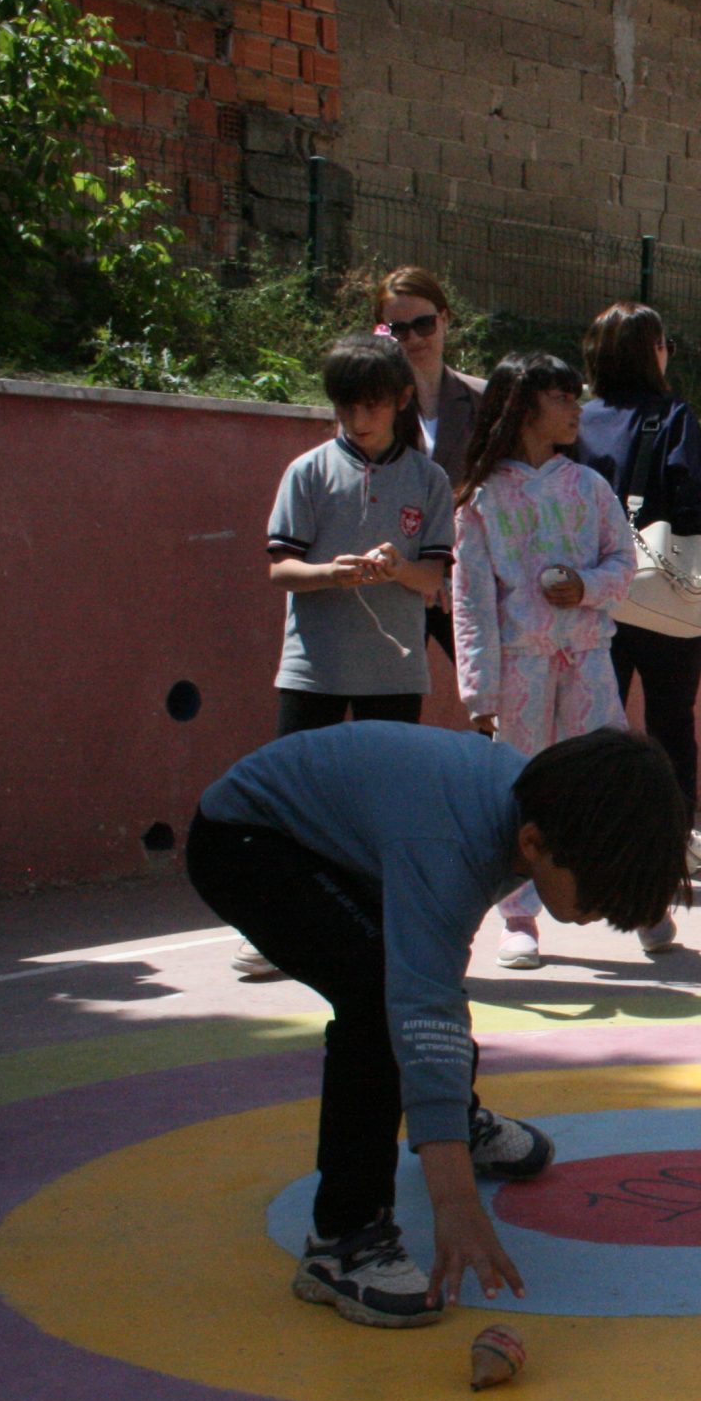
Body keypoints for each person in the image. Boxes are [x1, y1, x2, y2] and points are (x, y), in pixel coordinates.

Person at [184, 724, 688, 1327]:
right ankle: (342, 1242)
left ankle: (452, 1119)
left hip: (343, 837)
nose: (599, 914)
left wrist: (440, 1114)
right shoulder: (451, 841)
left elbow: (436, 984)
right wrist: (453, 1201)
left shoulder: (546, 807)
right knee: (378, 997)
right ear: (532, 843)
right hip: (248, 840)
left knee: (426, 979)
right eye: (597, 898)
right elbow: (421, 1003)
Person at [237, 336, 455, 984]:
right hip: (314, 669)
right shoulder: (308, 472)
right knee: (291, 802)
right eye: (346, 406)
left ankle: (381, 932)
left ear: (399, 401)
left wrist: (398, 568)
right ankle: (273, 932)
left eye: (372, 405)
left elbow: (433, 580)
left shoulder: (429, 479)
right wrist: (331, 573)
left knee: (385, 808)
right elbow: (282, 569)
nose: (359, 419)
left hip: (394, 674)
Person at [450, 352, 639, 970]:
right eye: (564, 399)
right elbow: (471, 601)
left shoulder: (589, 486)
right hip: (520, 669)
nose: (577, 411)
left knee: (607, 777)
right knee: (523, 788)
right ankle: (519, 915)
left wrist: (583, 586)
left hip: (587, 659)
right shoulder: (481, 500)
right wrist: (479, 694)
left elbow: (624, 565)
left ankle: (634, 895)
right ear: (529, 406)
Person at [577, 301, 701, 939]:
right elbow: (698, 509)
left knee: (602, 725)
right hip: (665, 590)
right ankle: (670, 845)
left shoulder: (577, 421)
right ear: (652, 352)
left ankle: (600, 841)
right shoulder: (673, 416)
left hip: (594, 593)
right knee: (672, 723)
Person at [368, 267, 484, 668]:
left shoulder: (484, 399)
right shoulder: (373, 408)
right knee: (392, 706)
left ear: (445, 319)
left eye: (424, 324)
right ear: (382, 333)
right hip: (396, 576)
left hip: (468, 578)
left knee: (495, 705)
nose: (415, 339)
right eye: (400, 329)